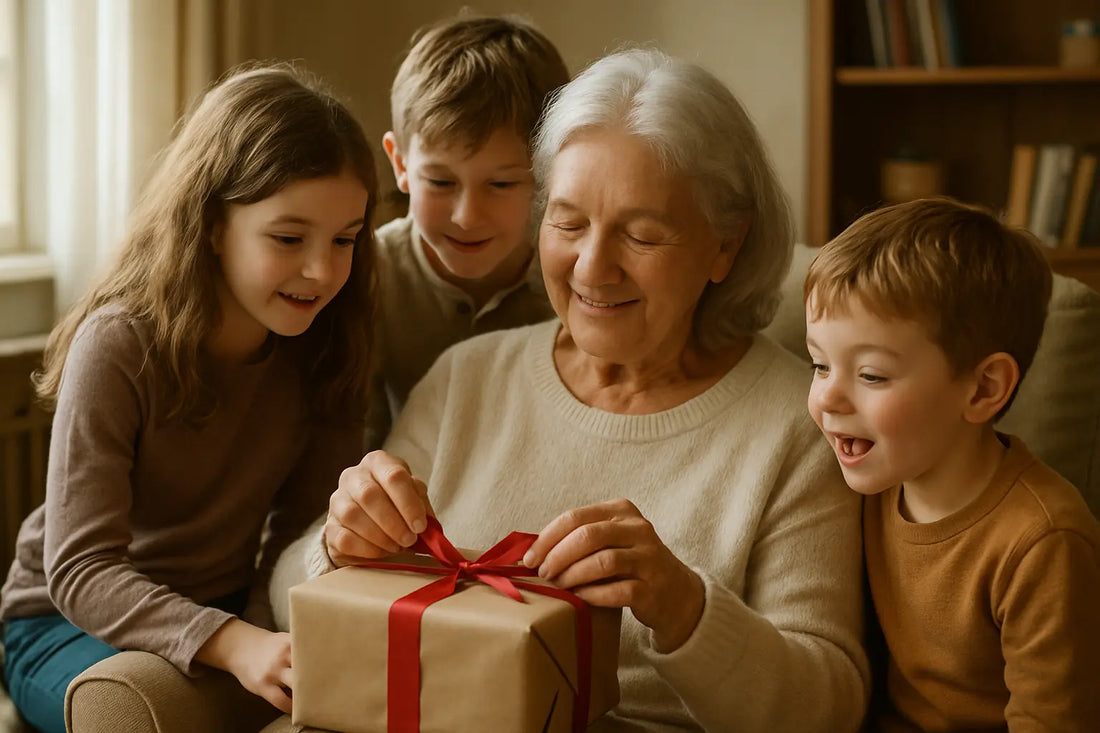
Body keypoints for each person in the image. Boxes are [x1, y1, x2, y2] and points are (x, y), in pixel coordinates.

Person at [270, 48, 869, 732]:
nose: (592, 267)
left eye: (642, 234)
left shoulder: (800, 422)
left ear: (725, 245)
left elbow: (829, 706)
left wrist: (684, 606)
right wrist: (339, 545)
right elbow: (285, 602)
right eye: (568, 222)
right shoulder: (467, 377)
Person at [0, 63, 378, 733]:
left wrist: (263, 641)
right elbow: (81, 568)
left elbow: (299, 537)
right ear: (211, 224)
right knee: (131, 713)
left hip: (226, 611)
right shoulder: (117, 344)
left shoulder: (327, 347)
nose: (322, 270)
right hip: (65, 624)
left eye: (344, 239)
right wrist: (236, 646)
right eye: (289, 238)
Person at [804, 197, 1100, 731]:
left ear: (984, 388)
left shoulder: (1044, 542)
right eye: (819, 365)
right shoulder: (868, 482)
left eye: (871, 375)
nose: (827, 398)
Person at [366, 14, 569, 447]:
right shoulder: (369, 273)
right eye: (440, 182)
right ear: (400, 163)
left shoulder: (575, 278)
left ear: (551, 172)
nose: (467, 217)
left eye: (502, 184)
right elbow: (357, 440)